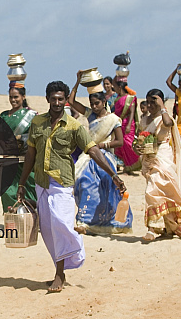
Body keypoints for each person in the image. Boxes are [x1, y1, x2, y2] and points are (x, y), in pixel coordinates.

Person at [17, 81, 126, 292]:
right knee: (48, 231)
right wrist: (22, 183)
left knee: (62, 224)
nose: (57, 103)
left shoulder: (74, 126)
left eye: (61, 99)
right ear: (47, 99)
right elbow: (30, 154)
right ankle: (60, 270)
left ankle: (60, 273)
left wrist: (113, 175)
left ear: (66, 100)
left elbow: (93, 150)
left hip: (63, 183)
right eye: (53, 99)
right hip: (41, 182)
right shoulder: (37, 123)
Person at [68, 72, 133, 235]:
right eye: (92, 103)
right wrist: (77, 82)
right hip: (88, 156)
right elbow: (71, 101)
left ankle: (106, 221)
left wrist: (103, 144)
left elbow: (119, 141)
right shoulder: (90, 115)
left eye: (97, 103)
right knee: (83, 182)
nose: (95, 106)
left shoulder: (113, 119)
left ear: (104, 102)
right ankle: (84, 221)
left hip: (104, 155)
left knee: (105, 186)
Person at [136, 89, 181, 241]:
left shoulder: (165, 118)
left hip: (163, 156)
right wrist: (136, 147)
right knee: (155, 189)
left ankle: (152, 228)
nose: (149, 105)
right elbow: (138, 138)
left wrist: (162, 106)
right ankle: (163, 226)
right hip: (149, 158)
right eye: (148, 102)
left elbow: (168, 124)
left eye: (153, 102)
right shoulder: (144, 120)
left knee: (154, 190)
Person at [0, 81, 37, 212]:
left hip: (25, 160)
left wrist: (19, 139)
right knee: (8, 191)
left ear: (23, 97)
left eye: (16, 97)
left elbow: (35, 137)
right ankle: (12, 219)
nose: (13, 100)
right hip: (9, 159)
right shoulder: (4, 115)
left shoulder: (32, 116)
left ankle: (28, 218)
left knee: (28, 190)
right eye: (11, 97)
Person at [111, 75, 140, 174]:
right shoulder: (118, 98)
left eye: (115, 87)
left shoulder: (129, 98)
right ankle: (126, 167)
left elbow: (132, 112)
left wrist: (128, 125)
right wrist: (117, 75)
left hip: (128, 123)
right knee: (120, 145)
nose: (114, 88)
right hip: (119, 123)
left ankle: (134, 163)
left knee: (128, 144)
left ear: (120, 87)